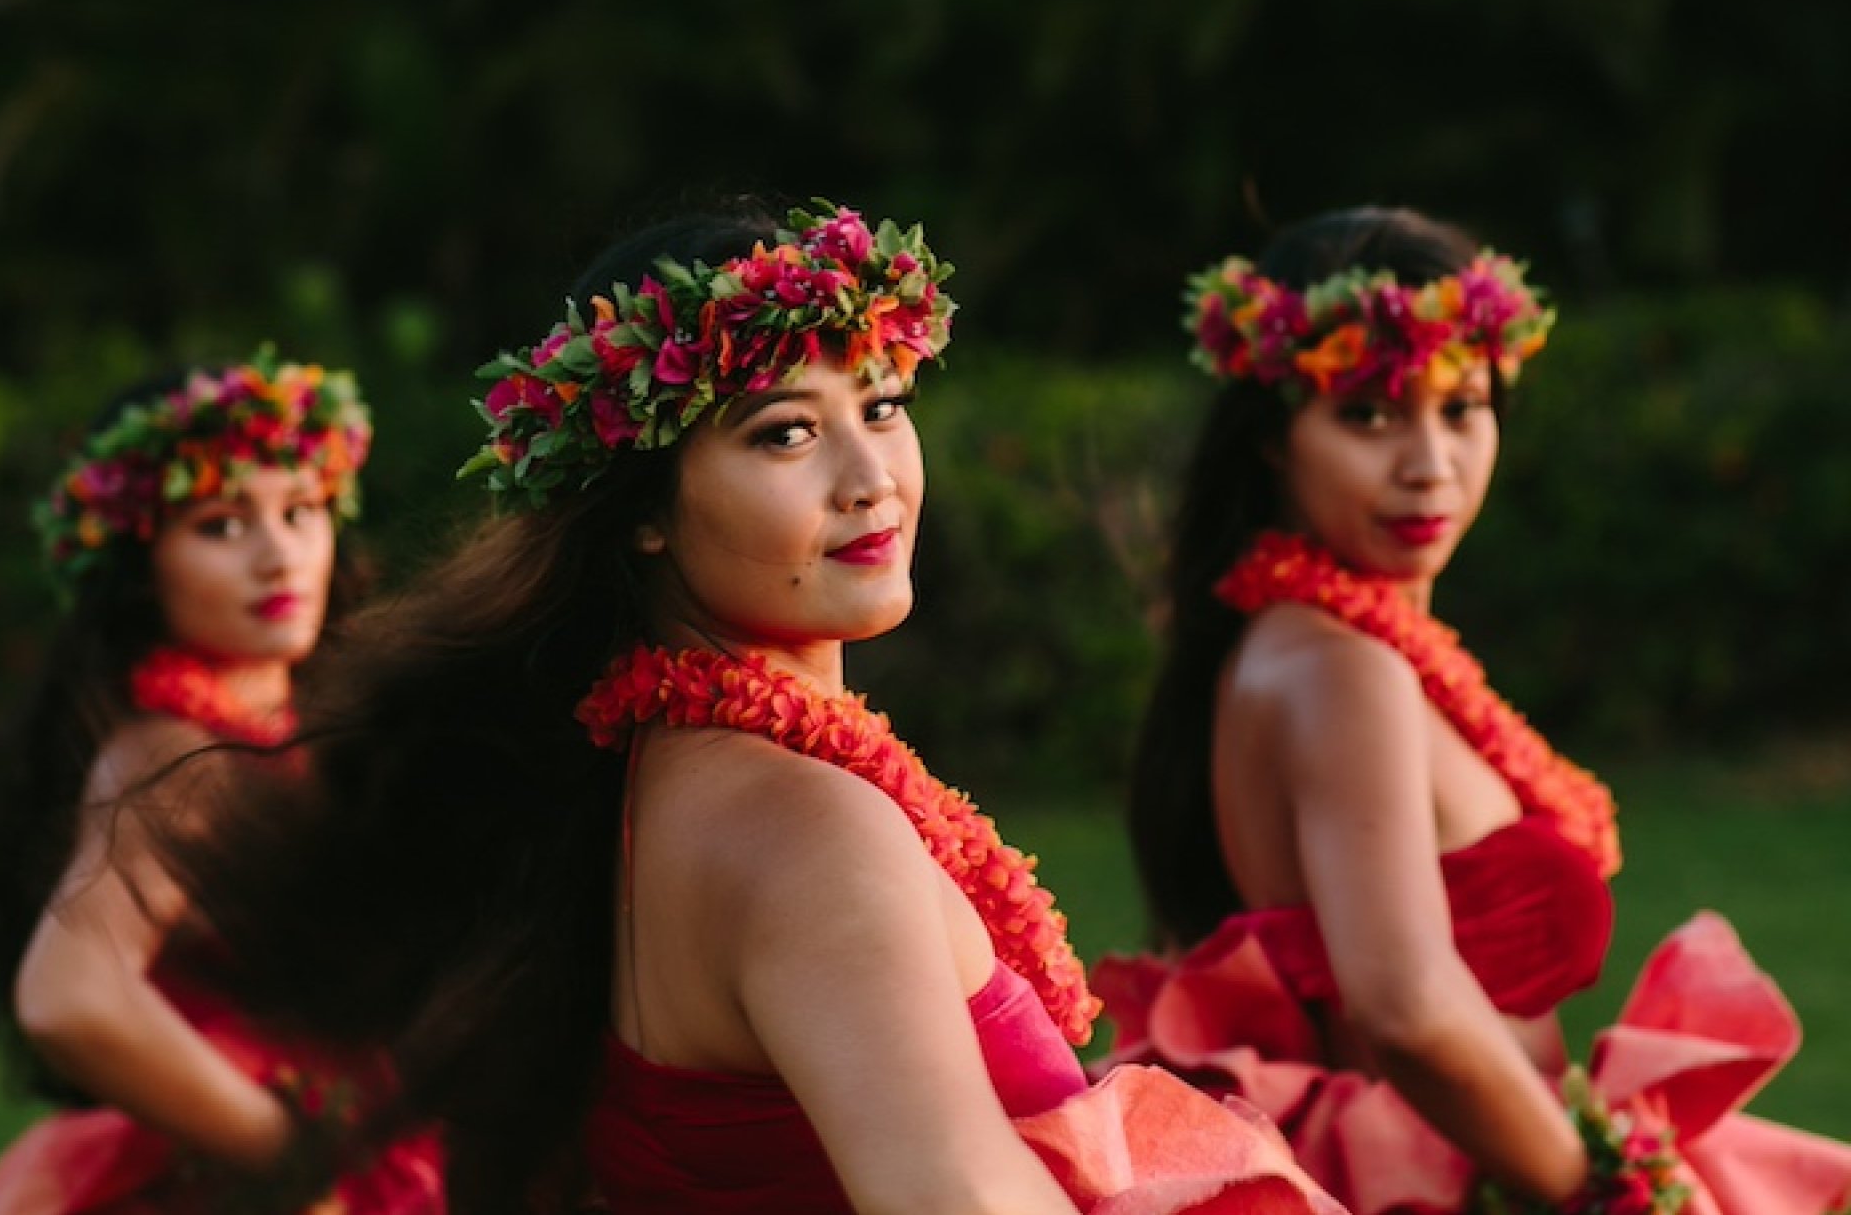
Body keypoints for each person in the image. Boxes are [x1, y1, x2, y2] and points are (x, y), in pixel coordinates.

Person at [134, 202, 1345, 1215]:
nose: (870, 477)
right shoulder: (802, 828)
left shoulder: (643, 775)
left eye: (880, 404)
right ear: (645, 506)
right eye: (784, 434)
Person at [1099, 206, 1851, 1214]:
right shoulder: (1340, 668)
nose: (1429, 463)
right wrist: (1606, 1189)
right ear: (1274, 438)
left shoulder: (1313, 644)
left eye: (1463, 406)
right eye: (1368, 414)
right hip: (1441, 1175)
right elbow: (1404, 1006)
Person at [0, 352, 445, 1214]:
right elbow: (70, 996)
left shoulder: (287, 731)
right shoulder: (176, 756)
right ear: (140, 564)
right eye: (222, 524)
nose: (278, 556)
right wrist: (292, 1151)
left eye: (301, 511)